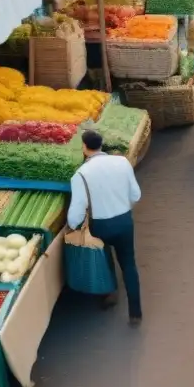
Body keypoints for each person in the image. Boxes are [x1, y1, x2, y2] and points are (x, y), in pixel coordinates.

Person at [68, 131, 143, 324]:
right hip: (125, 221)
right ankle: (135, 312)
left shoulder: (81, 174)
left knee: (104, 257)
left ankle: (110, 293)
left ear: (84, 147)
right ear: (102, 145)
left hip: (100, 225)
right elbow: (136, 195)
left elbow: (76, 213)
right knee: (128, 264)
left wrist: (72, 226)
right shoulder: (122, 162)